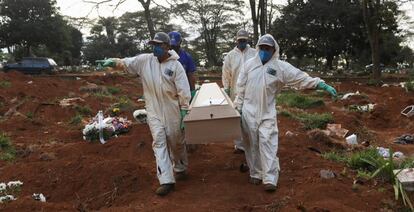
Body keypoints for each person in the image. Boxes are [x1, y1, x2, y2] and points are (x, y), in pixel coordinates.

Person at [234, 34, 337, 192]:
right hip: (249, 110)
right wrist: (238, 108)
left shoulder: (279, 67)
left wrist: (320, 84)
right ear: (257, 48)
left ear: (273, 50)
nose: (264, 51)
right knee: (251, 143)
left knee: (268, 143)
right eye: (261, 48)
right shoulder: (249, 65)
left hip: (267, 112)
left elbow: (299, 77)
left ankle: (269, 178)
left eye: (267, 48)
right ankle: (256, 173)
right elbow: (240, 88)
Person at [100, 32, 191, 196]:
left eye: (158, 45)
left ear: (166, 47)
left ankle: (181, 166)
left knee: (176, 140)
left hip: (172, 110)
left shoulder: (175, 66)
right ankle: (166, 180)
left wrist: (185, 110)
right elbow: (127, 63)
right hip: (153, 109)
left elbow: (183, 89)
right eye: (153, 45)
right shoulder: (145, 61)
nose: (154, 48)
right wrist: (113, 62)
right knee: (159, 142)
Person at [222, 29, 257, 153]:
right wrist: (226, 87)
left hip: (251, 91)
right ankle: (239, 145)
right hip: (236, 92)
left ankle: (252, 143)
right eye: (240, 40)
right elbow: (226, 73)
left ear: (247, 40)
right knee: (237, 118)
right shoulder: (230, 56)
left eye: (244, 40)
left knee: (251, 117)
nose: (242, 42)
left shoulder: (254, 53)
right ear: (236, 40)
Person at [168, 31, 197, 98]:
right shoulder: (164, 57)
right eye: (171, 46)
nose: (173, 48)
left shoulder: (187, 57)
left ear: (180, 42)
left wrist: (192, 91)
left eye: (175, 45)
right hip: (169, 91)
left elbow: (191, 75)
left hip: (184, 89)